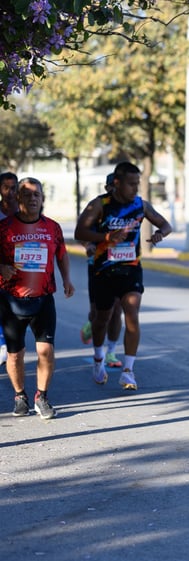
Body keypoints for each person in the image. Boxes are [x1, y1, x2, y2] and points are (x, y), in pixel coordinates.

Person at [74, 161, 172, 390]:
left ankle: (128, 371)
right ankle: (98, 360)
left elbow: (165, 224)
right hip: (104, 270)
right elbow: (80, 231)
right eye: (131, 184)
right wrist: (107, 238)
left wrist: (160, 234)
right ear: (116, 183)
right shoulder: (100, 204)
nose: (135, 189)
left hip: (131, 268)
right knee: (101, 319)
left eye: (137, 184)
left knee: (131, 314)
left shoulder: (141, 205)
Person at [0, 177, 75, 419]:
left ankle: (41, 397)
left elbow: (62, 254)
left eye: (37, 195)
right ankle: (20, 395)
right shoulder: (4, 228)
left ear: (42, 199)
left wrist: (67, 280)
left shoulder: (52, 227)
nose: (33, 199)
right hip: (11, 299)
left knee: (46, 351)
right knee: (15, 354)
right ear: (18, 198)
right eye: (27, 194)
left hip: (43, 298)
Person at [79, 173, 123, 369]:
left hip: (122, 266)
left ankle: (112, 352)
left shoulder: (129, 208)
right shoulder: (97, 206)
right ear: (107, 188)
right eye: (114, 187)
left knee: (117, 311)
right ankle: (91, 325)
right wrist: (88, 244)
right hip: (97, 266)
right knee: (99, 312)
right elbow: (81, 231)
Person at [0, 171, 19, 366]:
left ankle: (10, 343)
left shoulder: (24, 211)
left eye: (14, 187)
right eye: (6, 187)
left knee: (13, 311)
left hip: (19, 268)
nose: (10, 192)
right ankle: (3, 343)